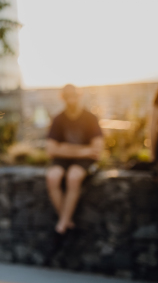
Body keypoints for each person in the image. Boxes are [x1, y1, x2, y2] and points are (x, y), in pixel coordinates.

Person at [45, 84, 104, 235]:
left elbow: (97, 150)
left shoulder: (90, 118)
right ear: (62, 98)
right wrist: (84, 151)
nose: (71, 100)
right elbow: (51, 149)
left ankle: (63, 223)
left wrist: (65, 148)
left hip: (82, 162)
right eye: (67, 96)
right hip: (66, 159)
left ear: (80, 95)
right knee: (52, 177)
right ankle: (66, 220)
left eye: (74, 96)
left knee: (73, 177)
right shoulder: (58, 119)